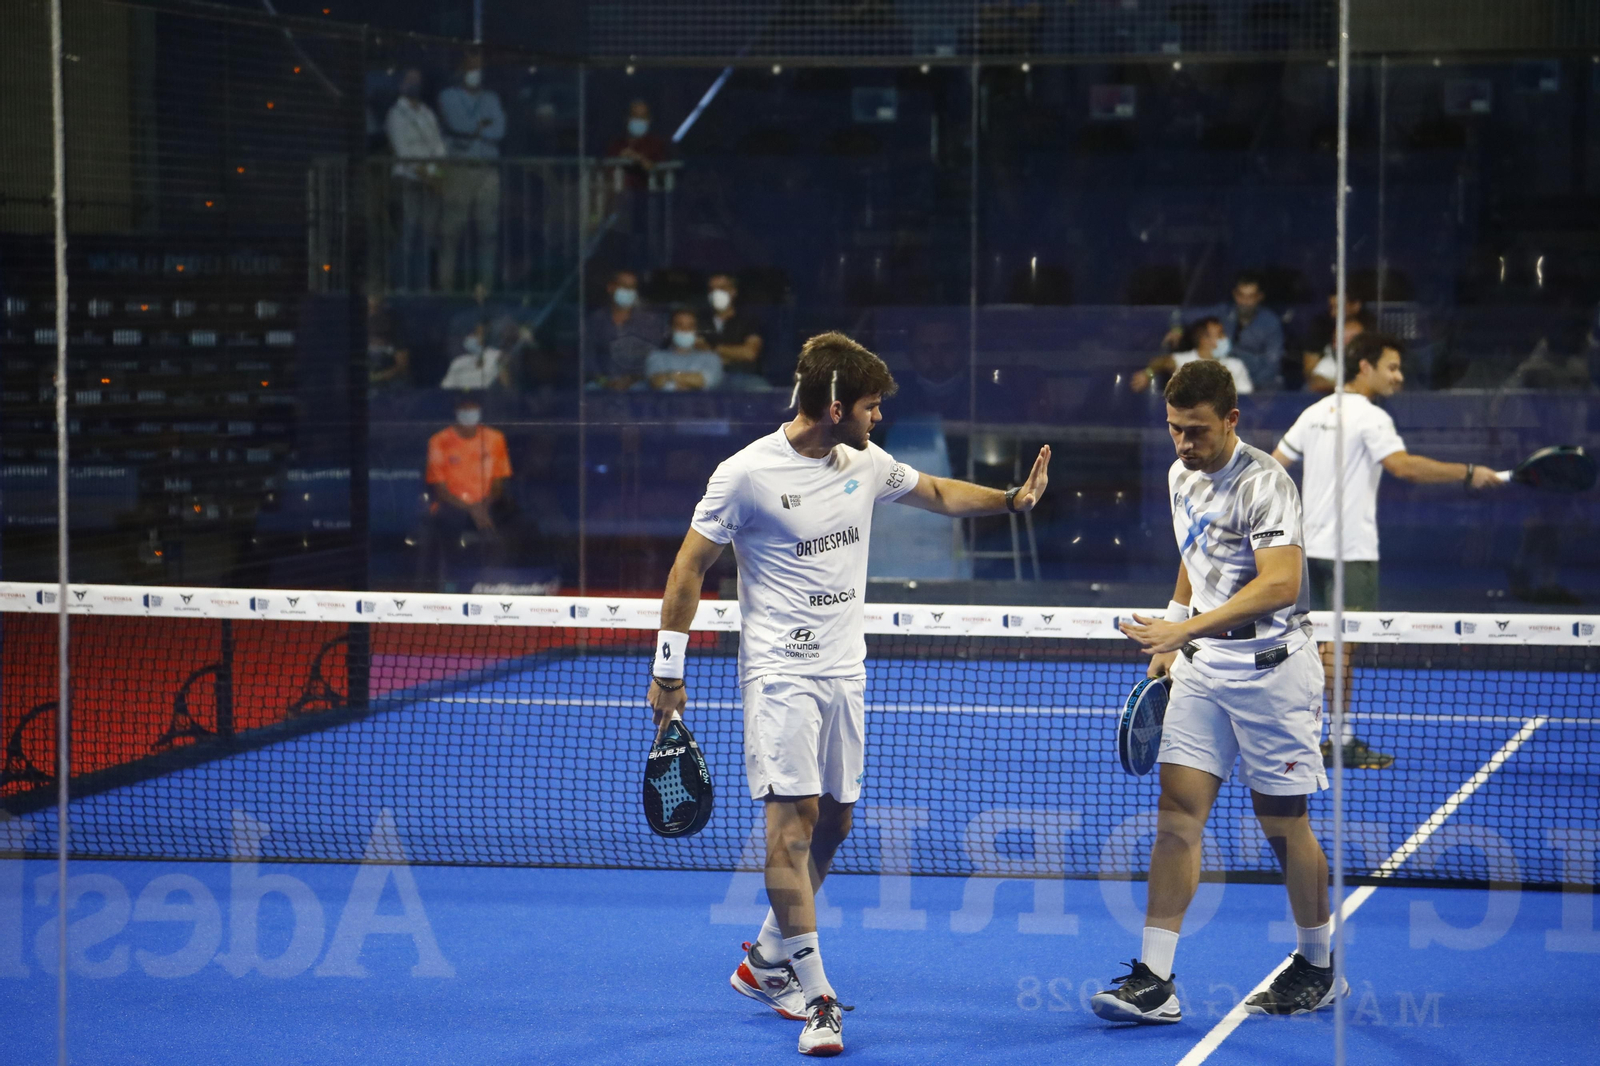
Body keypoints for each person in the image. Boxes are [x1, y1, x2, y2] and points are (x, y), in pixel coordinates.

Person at [646, 332, 1050, 1056]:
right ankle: (818, 997)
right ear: (834, 407)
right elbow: (688, 568)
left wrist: (1011, 501)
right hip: (779, 673)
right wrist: (669, 672)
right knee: (791, 825)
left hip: (845, 671)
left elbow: (933, 492)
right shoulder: (744, 475)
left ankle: (767, 960)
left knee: (836, 822)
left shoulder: (864, 461)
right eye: (870, 407)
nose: (878, 419)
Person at [1097, 359, 1341, 1024]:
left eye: (1197, 430)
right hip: (1205, 671)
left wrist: (1184, 632)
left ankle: (1318, 965)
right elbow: (1195, 550)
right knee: (1176, 814)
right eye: (1175, 430)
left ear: (1232, 420)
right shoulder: (1182, 473)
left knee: (1284, 823)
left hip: (1273, 674)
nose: (1183, 444)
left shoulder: (1266, 485)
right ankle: (1155, 979)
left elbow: (1280, 585)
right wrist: (1175, 628)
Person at [1272, 332, 1505, 768]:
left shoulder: (1315, 411)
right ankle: (1337, 740)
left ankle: (1310, 734)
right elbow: (1403, 467)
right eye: (1391, 367)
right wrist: (1467, 471)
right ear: (1365, 367)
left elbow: (1274, 466)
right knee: (1340, 647)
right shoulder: (1372, 418)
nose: (1398, 376)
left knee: (1316, 645)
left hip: (1307, 549)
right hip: (1350, 553)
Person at [417, 393, 513, 589]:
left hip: (486, 505)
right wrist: (471, 509)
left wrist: (483, 507)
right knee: (448, 524)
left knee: (513, 523)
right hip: (452, 505)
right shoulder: (439, 441)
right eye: (464, 409)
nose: (469, 413)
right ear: (455, 412)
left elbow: (498, 485)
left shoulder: (495, 438)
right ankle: (453, 584)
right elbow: (440, 490)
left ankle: (495, 583)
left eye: (473, 409)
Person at [437, 52, 506, 292]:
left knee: (488, 232)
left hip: (487, 171)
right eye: (471, 67)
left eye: (479, 67)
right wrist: (480, 125)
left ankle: (484, 288)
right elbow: (460, 125)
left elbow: (499, 129)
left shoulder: (491, 98)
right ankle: (446, 286)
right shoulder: (448, 96)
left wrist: (477, 128)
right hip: (460, 170)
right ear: (461, 69)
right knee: (451, 233)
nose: (475, 72)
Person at [1165, 271, 1284, 390]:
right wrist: (1177, 329)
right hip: (1222, 379)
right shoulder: (1224, 312)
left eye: (1250, 297)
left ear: (1260, 296)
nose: (1245, 302)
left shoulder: (1271, 323)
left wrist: (1251, 389)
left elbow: (1272, 365)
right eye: (1241, 296)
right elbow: (1180, 315)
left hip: (1257, 386)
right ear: (1234, 294)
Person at [384, 68, 447, 291]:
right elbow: (404, 153)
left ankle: (424, 288)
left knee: (427, 238)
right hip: (408, 181)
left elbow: (439, 148)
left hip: (431, 182)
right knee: (407, 235)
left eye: (417, 80)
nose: (414, 84)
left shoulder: (427, 113)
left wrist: (436, 176)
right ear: (401, 84)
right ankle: (402, 287)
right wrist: (428, 174)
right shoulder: (395, 114)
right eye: (410, 80)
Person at [1133, 316, 1254, 396]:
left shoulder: (1236, 365)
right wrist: (1148, 373)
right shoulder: (1184, 361)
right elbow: (1162, 362)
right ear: (1204, 339)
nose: (1225, 338)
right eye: (1220, 334)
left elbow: (1245, 400)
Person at [587, 270, 664, 389]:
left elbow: (652, 357)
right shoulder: (596, 319)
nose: (628, 290)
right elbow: (589, 356)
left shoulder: (649, 321)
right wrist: (604, 381)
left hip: (638, 383)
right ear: (611, 287)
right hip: (602, 383)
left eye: (631, 287)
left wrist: (630, 380)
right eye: (623, 285)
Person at [1300, 291, 1374, 392]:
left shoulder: (1375, 356)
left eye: (1338, 307)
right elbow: (1315, 381)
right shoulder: (1330, 362)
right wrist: (1348, 387)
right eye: (1342, 340)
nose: (1333, 313)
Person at [701, 273, 765, 386]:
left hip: (741, 377)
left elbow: (749, 353)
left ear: (733, 291)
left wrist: (712, 349)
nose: (716, 293)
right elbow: (695, 350)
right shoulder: (699, 321)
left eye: (722, 288)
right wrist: (733, 353)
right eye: (712, 289)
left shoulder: (749, 321)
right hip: (705, 378)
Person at [645, 309, 724, 391]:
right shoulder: (656, 357)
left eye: (690, 326)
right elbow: (657, 381)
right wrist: (691, 381)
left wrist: (670, 376)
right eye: (679, 325)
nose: (685, 330)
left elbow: (705, 381)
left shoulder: (711, 358)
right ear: (670, 329)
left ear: (696, 330)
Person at [606, 99, 671, 191]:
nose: (639, 121)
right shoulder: (617, 145)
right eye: (635, 116)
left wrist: (640, 159)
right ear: (627, 118)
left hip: (646, 197)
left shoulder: (656, 144)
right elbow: (606, 171)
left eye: (643, 117)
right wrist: (620, 159)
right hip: (619, 197)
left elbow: (662, 172)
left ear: (649, 120)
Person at [1303, 316, 1367, 394]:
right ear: (1335, 343)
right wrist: (1347, 386)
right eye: (1345, 339)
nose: (1352, 343)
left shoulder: (1372, 360)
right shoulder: (1328, 364)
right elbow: (1318, 382)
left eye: (1355, 338)